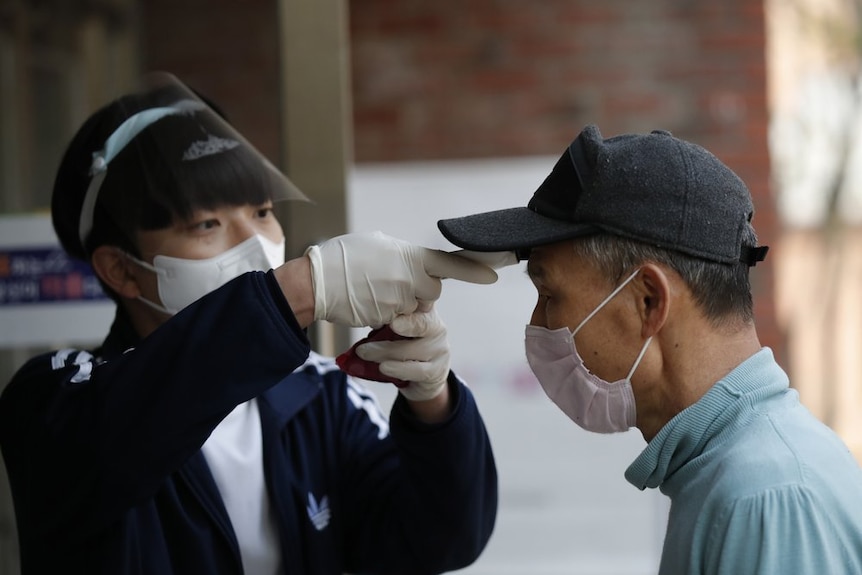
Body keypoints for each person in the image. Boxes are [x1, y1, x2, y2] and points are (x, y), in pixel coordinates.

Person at [0, 72, 499, 575]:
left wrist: (432, 403)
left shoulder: (317, 395)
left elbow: (436, 541)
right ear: (121, 269)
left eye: (261, 211)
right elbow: (118, 431)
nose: (255, 246)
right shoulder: (56, 398)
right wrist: (303, 288)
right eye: (207, 225)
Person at [436, 124, 862, 575]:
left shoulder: (764, 499)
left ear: (648, 301)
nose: (537, 325)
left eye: (550, 294)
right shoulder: (727, 470)